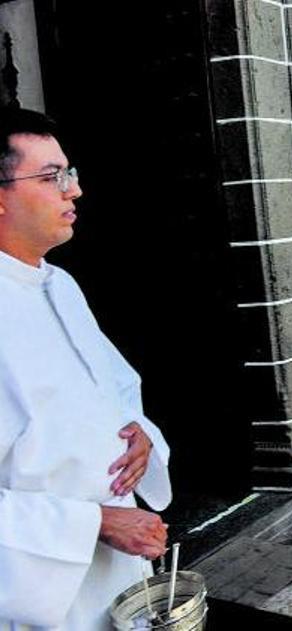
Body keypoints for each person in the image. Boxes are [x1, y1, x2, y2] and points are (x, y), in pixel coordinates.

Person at [0, 108, 172, 629]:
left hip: (118, 565)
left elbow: (115, 393)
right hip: (40, 580)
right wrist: (91, 523)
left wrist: (143, 439)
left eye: (69, 174)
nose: (74, 190)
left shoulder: (62, 286)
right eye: (52, 177)